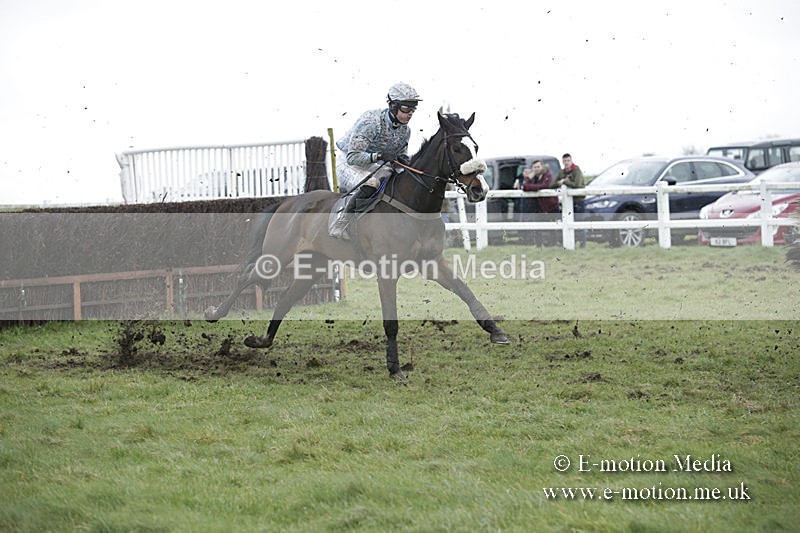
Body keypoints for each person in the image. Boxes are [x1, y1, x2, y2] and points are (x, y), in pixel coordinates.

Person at [329, 82, 422, 238]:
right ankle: (341, 222)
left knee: (395, 177)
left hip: (373, 165)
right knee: (372, 183)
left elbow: (400, 159)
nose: (410, 113)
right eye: (406, 109)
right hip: (348, 162)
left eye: (413, 109)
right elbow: (353, 157)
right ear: (393, 106)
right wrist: (378, 156)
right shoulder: (371, 123)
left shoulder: (405, 130)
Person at [521, 160, 558, 245]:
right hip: (539, 206)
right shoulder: (533, 176)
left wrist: (531, 187)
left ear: (542, 167)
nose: (537, 169)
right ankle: (538, 244)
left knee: (551, 226)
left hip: (550, 205)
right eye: (535, 167)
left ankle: (552, 244)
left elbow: (544, 186)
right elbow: (525, 186)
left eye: (538, 167)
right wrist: (530, 180)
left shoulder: (548, 175)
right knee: (537, 226)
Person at [553, 153, 587, 247]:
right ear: (562, 162)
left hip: (578, 200)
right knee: (567, 221)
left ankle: (582, 243)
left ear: (571, 161)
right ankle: (570, 242)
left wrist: (565, 181)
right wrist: (559, 183)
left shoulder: (576, 170)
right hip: (567, 202)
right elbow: (552, 184)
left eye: (568, 160)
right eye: (565, 161)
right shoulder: (562, 172)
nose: (566, 163)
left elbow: (577, 185)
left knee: (579, 221)